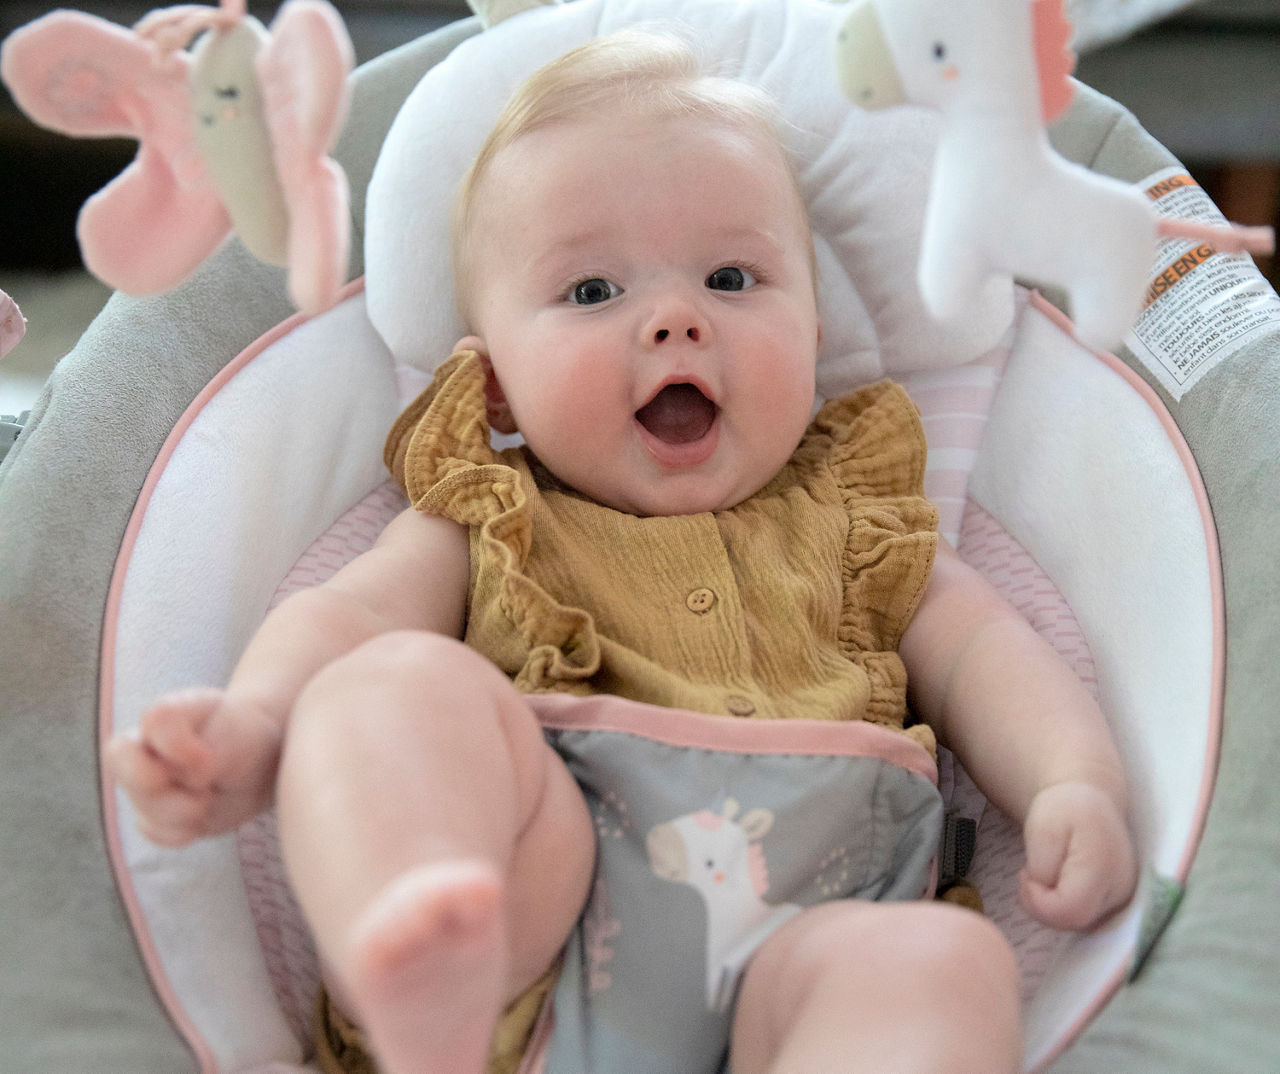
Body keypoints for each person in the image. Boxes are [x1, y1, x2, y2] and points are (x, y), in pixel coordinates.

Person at [107, 30, 1137, 1074]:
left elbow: (982, 654)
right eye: (593, 293)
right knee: (387, 684)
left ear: (814, 337)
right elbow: (342, 620)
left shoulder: (855, 517)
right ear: (495, 387)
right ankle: (419, 929)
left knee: (939, 960)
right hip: (535, 929)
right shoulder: (492, 516)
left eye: (732, 277)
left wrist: (1070, 782)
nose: (676, 321)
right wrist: (255, 723)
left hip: (815, 932)